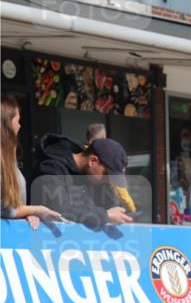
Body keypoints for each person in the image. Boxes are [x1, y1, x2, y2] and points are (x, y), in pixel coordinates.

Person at [32, 133, 133, 228]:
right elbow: (58, 208)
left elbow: (110, 206)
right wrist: (104, 215)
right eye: (106, 175)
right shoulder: (51, 168)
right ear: (93, 161)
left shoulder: (93, 178)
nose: (107, 180)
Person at [1, 96, 63, 228]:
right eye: (17, 120)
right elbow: (4, 210)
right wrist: (36, 210)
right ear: (7, 124)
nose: (20, 125)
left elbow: (10, 208)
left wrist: (24, 214)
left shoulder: (8, 159)